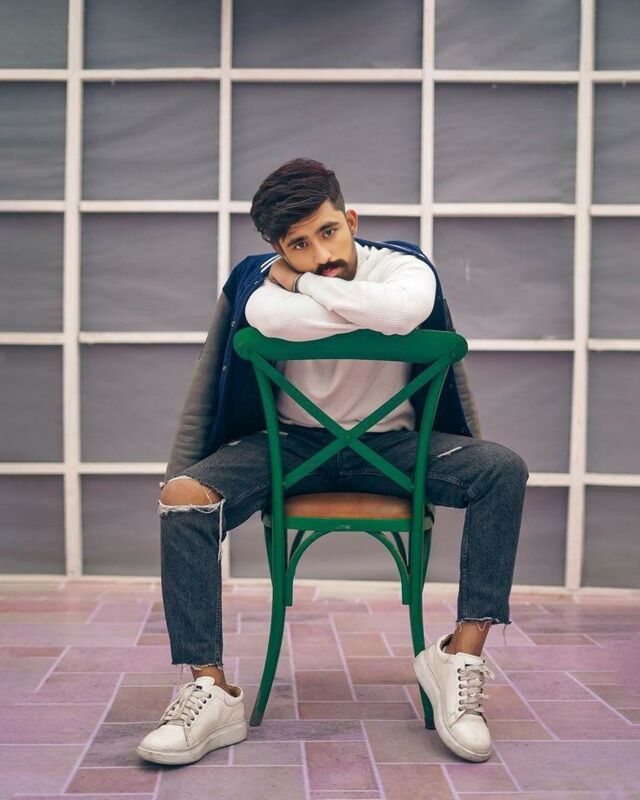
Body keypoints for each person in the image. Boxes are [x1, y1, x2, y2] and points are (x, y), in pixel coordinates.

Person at [136, 158, 529, 766]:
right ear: (277, 248)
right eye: (299, 245)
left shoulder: (403, 267)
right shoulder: (258, 285)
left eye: (328, 231)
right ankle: (210, 691)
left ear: (352, 220)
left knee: (503, 469)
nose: (321, 255)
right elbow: (268, 319)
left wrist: (304, 287)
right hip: (289, 445)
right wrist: (355, 308)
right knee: (185, 497)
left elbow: (404, 310)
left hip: (396, 448)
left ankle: (460, 655)